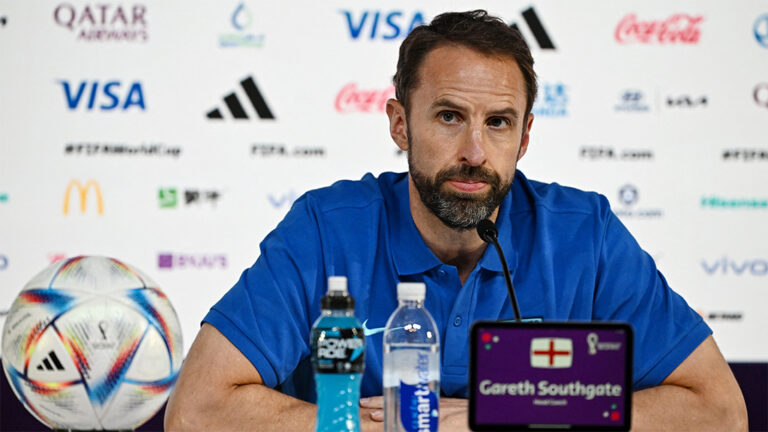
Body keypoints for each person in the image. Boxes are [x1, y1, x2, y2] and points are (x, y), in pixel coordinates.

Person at [165, 10, 747, 432]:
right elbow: (196, 411)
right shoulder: (327, 227)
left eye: (498, 122)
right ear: (400, 124)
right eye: (449, 115)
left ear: (524, 137)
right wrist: (393, 428)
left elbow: (720, 412)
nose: (474, 150)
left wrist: (498, 413)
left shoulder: (583, 233)